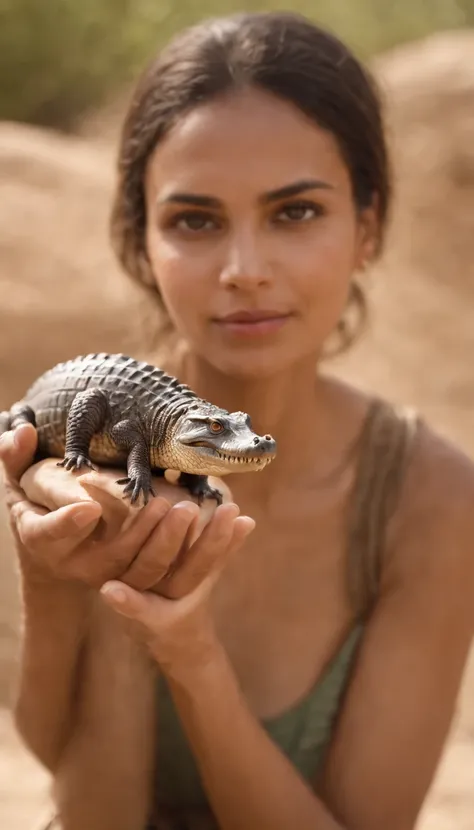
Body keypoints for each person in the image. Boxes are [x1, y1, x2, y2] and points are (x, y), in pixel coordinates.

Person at [1, 11, 474, 830]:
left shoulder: (435, 499)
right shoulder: (85, 452)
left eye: (295, 213)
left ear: (367, 227)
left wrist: (189, 652)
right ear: (141, 242)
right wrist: (75, 580)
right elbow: (77, 795)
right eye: (195, 220)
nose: (244, 271)